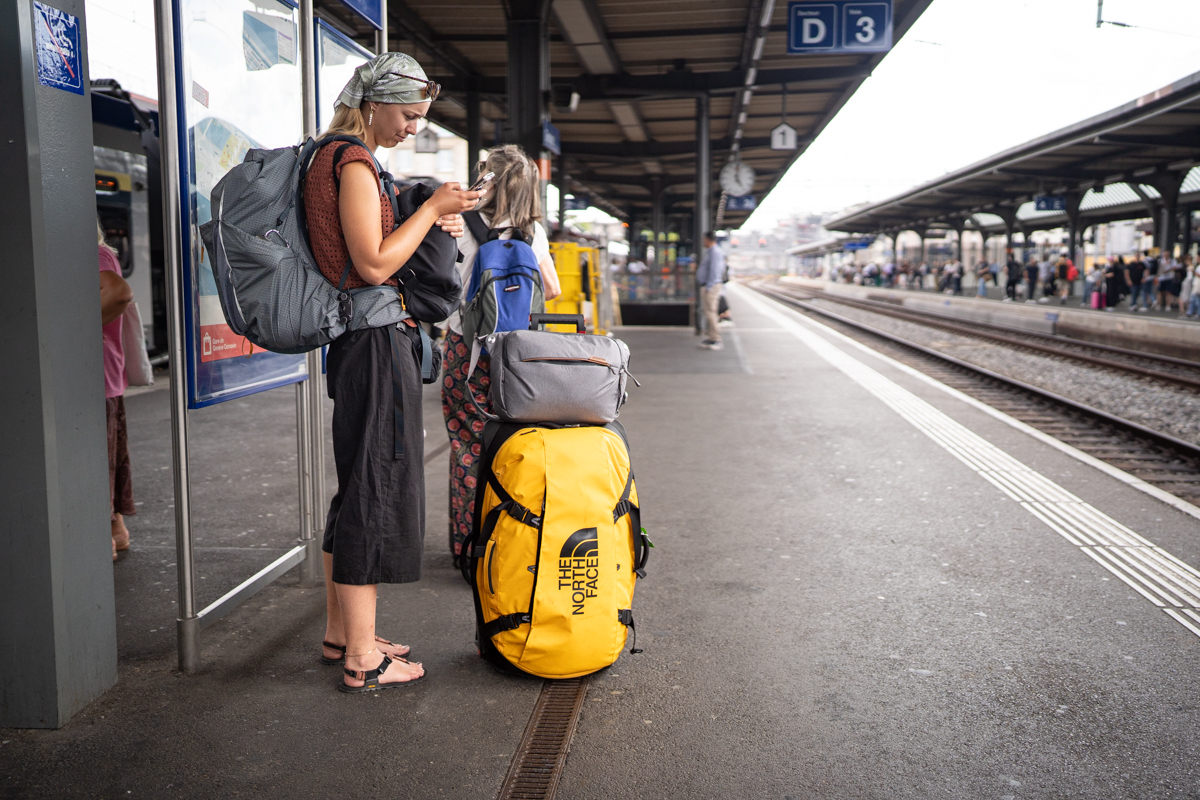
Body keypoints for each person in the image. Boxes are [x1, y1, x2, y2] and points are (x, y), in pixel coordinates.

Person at [306, 52, 481, 692]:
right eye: (408, 115)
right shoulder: (350, 162)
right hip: (376, 342)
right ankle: (362, 658)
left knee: (358, 482)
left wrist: (427, 208)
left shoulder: (340, 159)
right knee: (374, 486)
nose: (412, 128)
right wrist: (431, 212)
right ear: (374, 103)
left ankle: (342, 633)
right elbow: (376, 264)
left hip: (365, 343)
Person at [440, 143, 560, 562]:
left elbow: (441, 287)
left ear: (487, 179)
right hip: (521, 357)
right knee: (516, 446)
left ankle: (468, 548)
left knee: (469, 445)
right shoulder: (534, 234)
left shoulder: (457, 222)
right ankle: (511, 547)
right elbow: (552, 291)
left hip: (467, 354)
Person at [99, 220, 136, 563]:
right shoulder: (105, 253)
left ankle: (103, 539)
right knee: (110, 458)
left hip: (94, 375)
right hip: (107, 374)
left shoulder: (89, 255)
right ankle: (116, 531)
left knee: (98, 460)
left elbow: (121, 293)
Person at [697, 231, 725, 350]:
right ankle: (711, 337)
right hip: (709, 286)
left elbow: (715, 270)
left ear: (708, 239)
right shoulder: (712, 251)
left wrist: (709, 286)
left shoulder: (715, 252)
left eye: (704, 239)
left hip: (711, 287)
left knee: (711, 312)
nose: (703, 242)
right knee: (708, 312)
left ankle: (716, 339)